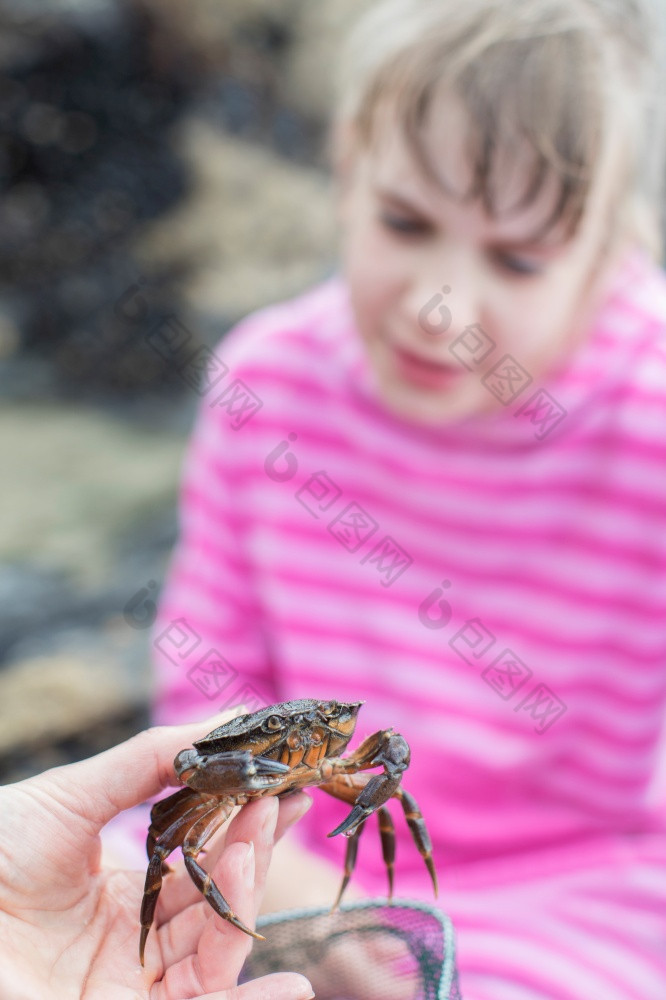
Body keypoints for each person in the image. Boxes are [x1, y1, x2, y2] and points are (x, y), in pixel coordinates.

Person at [114, 1, 666, 997]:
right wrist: (305, 900)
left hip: (581, 882)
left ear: (610, 248)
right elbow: (205, 701)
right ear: (349, 162)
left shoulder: (651, 418)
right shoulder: (268, 386)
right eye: (406, 222)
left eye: (517, 258)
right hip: (281, 845)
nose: (438, 303)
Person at [0, 713, 315, 1000]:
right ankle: (155, 936)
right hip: (219, 789)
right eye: (272, 727)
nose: (291, 737)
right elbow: (161, 825)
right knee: (175, 849)